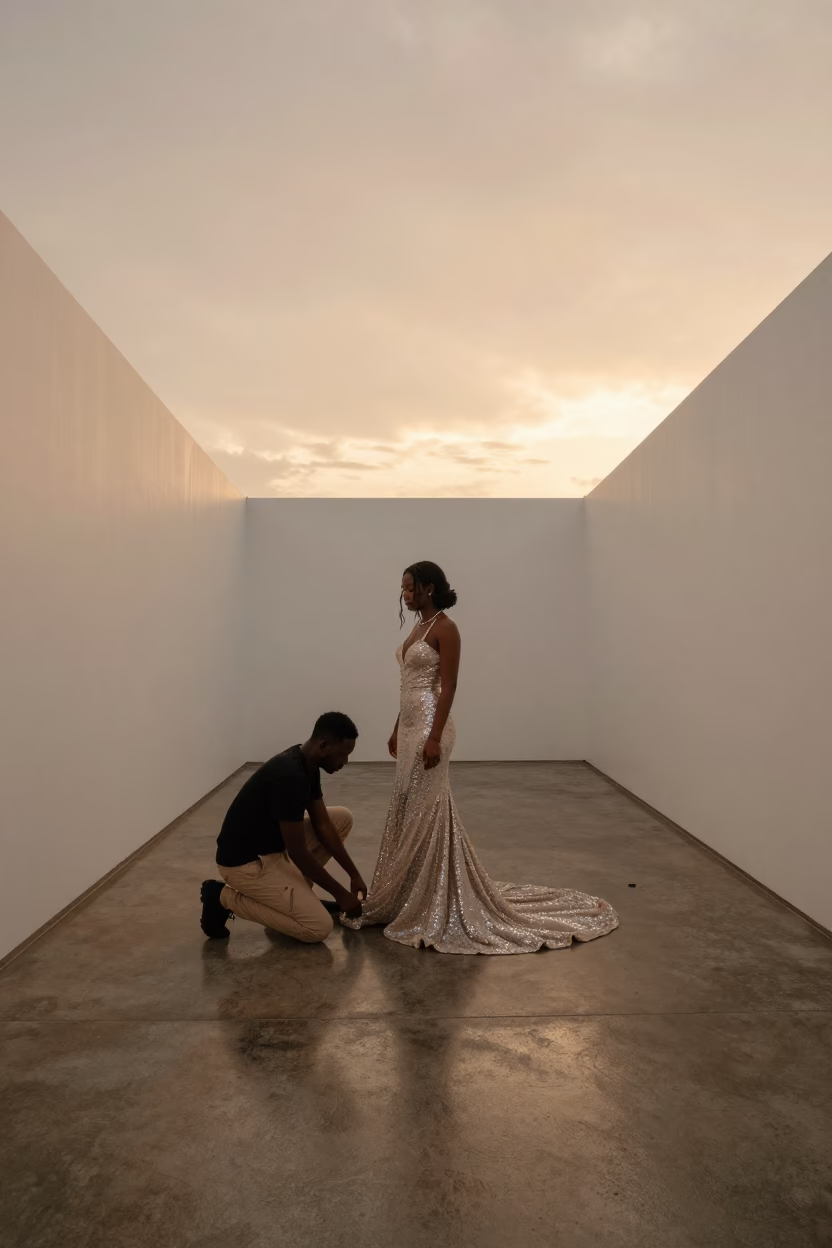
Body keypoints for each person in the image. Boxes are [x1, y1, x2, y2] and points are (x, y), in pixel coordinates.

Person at [340, 562, 619, 954]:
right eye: (402, 588)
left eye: (409, 588)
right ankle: (412, 891)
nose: (404, 594)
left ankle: (432, 896)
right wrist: (395, 727)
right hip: (410, 727)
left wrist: (434, 736)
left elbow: (448, 685)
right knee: (409, 805)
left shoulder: (446, 628)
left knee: (425, 809)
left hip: (431, 728)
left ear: (428, 587)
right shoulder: (418, 628)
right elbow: (409, 685)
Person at [200, 712, 368, 943]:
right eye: (342, 754)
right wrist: (341, 894)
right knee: (317, 928)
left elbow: (322, 824)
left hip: (272, 847)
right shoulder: (290, 776)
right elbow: (298, 852)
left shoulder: (307, 764)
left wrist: (354, 874)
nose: (345, 762)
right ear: (323, 745)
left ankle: (297, 895)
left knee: (341, 818)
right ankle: (221, 897)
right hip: (246, 864)